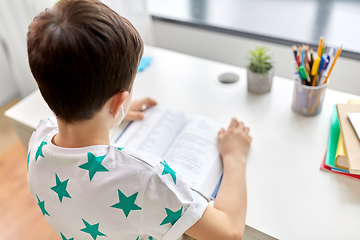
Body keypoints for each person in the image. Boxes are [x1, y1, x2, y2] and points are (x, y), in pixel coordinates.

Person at [26, 0, 252, 239]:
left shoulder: (38, 137)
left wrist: (110, 113)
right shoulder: (147, 178)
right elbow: (230, 233)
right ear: (119, 101)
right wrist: (234, 156)